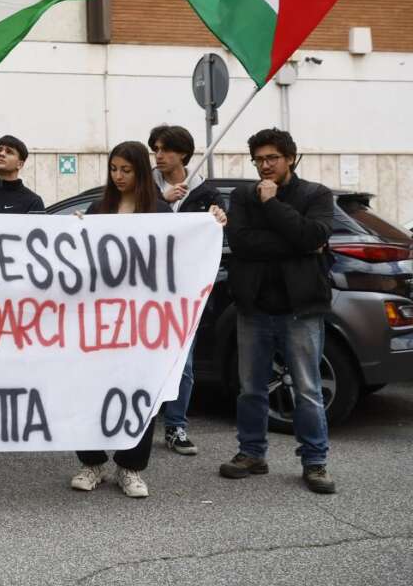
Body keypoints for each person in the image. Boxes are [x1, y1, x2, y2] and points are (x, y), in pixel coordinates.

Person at [69, 141, 225, 499]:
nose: (118, 176)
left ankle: (130, 467)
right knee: (89, 390)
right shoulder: (98, 209)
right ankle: (92, 463)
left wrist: (211, 223)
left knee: (140, 392)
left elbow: (182, 252)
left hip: (142, 324)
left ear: (140, 171)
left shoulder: (158, 211)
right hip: (98, 320)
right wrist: (74, 231)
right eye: (113, 169)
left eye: (126, 170)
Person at [220, 128, 336, 494]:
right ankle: (251, 453)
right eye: (259, 159)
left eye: (272, 158)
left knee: (307, 389)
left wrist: (272, 205)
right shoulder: (242, 196)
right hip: (254, 308)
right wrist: (297, 243)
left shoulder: (315, 194)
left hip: (300, 309)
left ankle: (314, 462)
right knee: (250, 388)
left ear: (290, 159)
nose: (265, 165)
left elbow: (313, 236)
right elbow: (241, 242)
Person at [148, 124, 226, 456]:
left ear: (183, 154)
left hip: (185, 295)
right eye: (155, 149)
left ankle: (176, 426)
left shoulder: (205, 194)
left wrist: (217, 218)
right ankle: (139, 422)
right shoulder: (144, 186)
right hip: (145, 291)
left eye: (165, 149)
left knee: (184, 363)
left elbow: (219, 233)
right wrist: (160, 202)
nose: (158, 155)